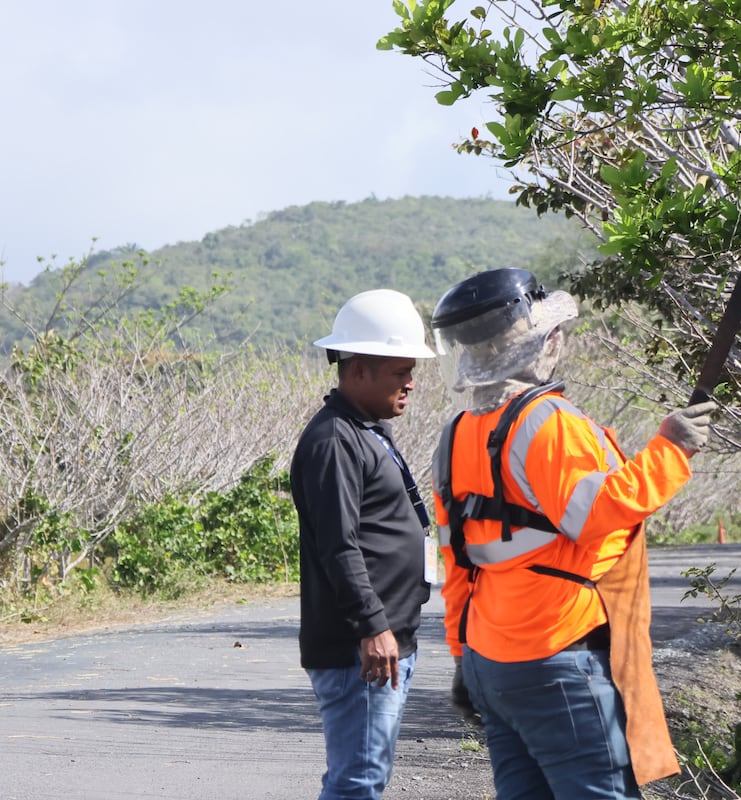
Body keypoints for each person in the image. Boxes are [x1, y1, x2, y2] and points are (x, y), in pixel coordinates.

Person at [428, 267, 717, 799]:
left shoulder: (455, 437)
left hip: (489, 659)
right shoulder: (548, 421)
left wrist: (462, 656)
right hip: (558, 651)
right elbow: (598, 512)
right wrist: (670, 449)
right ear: (546, 342)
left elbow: (457, 563)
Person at [290, 288, 437, 800]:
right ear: (357, 371)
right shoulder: (334, 440)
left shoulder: (365, 430)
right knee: (358, 782)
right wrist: (373, 627)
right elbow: (339, 545)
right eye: (400, 372)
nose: (411, 383)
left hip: (383, 644)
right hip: (362, 650)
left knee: (364, 777)